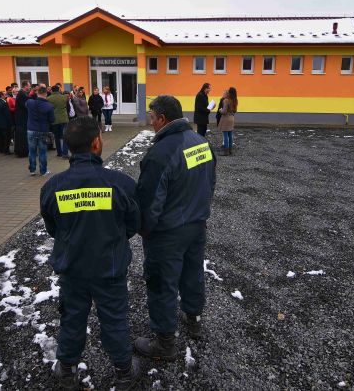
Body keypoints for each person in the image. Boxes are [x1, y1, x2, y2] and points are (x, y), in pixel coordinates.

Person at [40, 116, 141, 390]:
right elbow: (133, 224)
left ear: (68, 145)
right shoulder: (120, 183)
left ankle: (68, 370)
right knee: (115, 319)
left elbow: (54, 228)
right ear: (97, 142)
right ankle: (123, 371)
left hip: (72, 269)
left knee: (72, 319)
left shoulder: (52, 186)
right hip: (110, 269)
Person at [134, 95, 217, 359]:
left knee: (162, 283)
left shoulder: (161, 153)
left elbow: (149, 201)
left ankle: (165, 343)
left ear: (161, 118)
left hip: (167, 233)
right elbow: (210, 183)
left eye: (151, 116)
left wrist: (145, 229)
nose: (150, 121)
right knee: (192, 273)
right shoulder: (202, 143)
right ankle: (193, 319)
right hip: (196, 225)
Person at [26, 86, 54, 175]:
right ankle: (43, 171)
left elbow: (27, 102)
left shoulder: (30, 102)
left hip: (31, 129)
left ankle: (32, 170)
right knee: (42, 151)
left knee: (32, 151)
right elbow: (52, 120)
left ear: (37, 93)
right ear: (46, 94)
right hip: (43, 130)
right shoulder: (49, 106)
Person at [47, 85, 70, 158]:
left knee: (57, 137)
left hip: (54, 120)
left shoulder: (48, 99)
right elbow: (66, 106)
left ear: (52, 90)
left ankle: (59, 152)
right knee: (64, 136)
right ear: (58, 90)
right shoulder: (64, 97)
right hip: (64, 119)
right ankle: (65, 153)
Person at [218, 87, 238, 156]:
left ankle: (226, 151)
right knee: (230, 135)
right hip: (232, 118)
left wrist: (220, 110)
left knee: (225, 135)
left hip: (226, 119)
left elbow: (224, 111)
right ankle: (230, 150)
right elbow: (235, 111)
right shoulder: (235, 100)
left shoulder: (226, 100)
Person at [14, 81, 30, 157]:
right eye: (28, 86)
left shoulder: (22, 94)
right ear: (25, 86)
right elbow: (25, 105)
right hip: (21, 118)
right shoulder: (22, 94)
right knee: (22, 135)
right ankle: (22, 151)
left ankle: (23, 151)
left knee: (23, 134)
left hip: (22, 117)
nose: (29, 87)